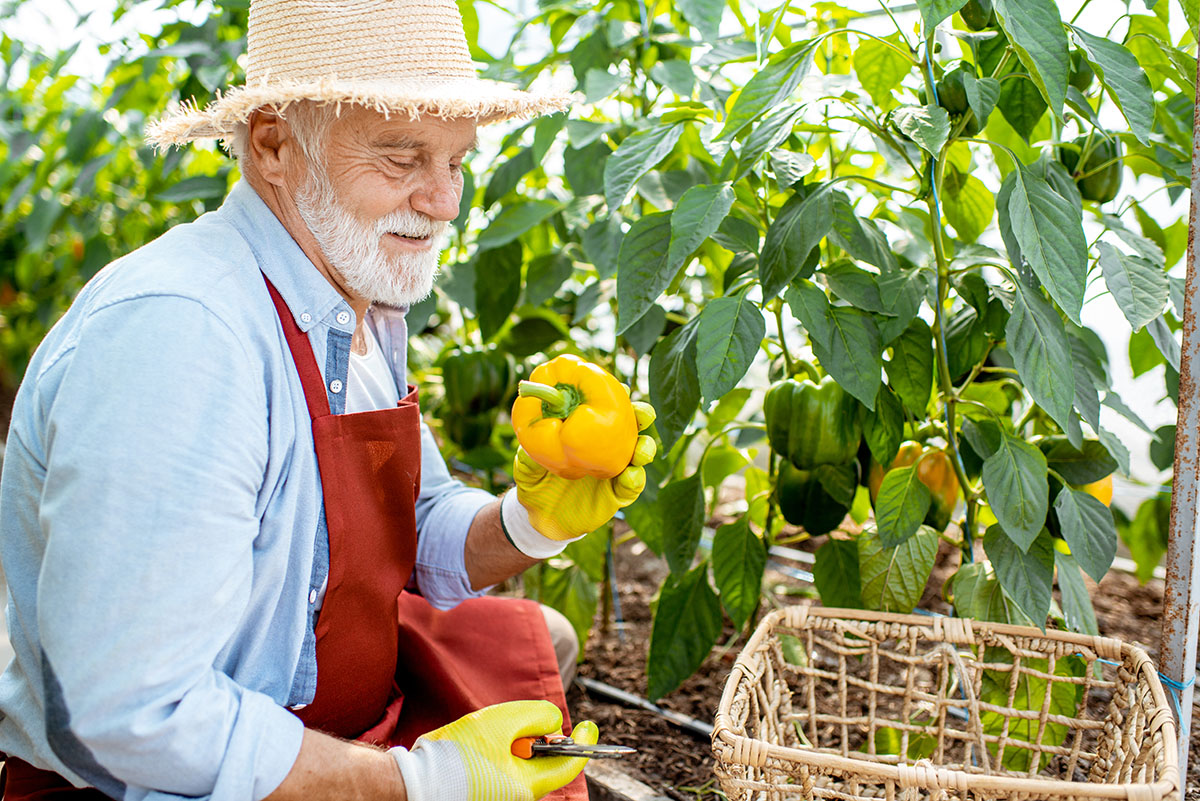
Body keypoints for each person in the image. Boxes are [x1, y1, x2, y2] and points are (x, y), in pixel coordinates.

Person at [0, 1, 656, 799]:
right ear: (275, 143)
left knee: (541, 639)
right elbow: (130, 713)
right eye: (402, 156)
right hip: (173, 777)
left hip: (325, 706)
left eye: (456, 160)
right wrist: (424, 780)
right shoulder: (185, 336)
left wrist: (531, 520)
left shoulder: (356, 299)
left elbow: (414, 524)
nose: (444, 201)